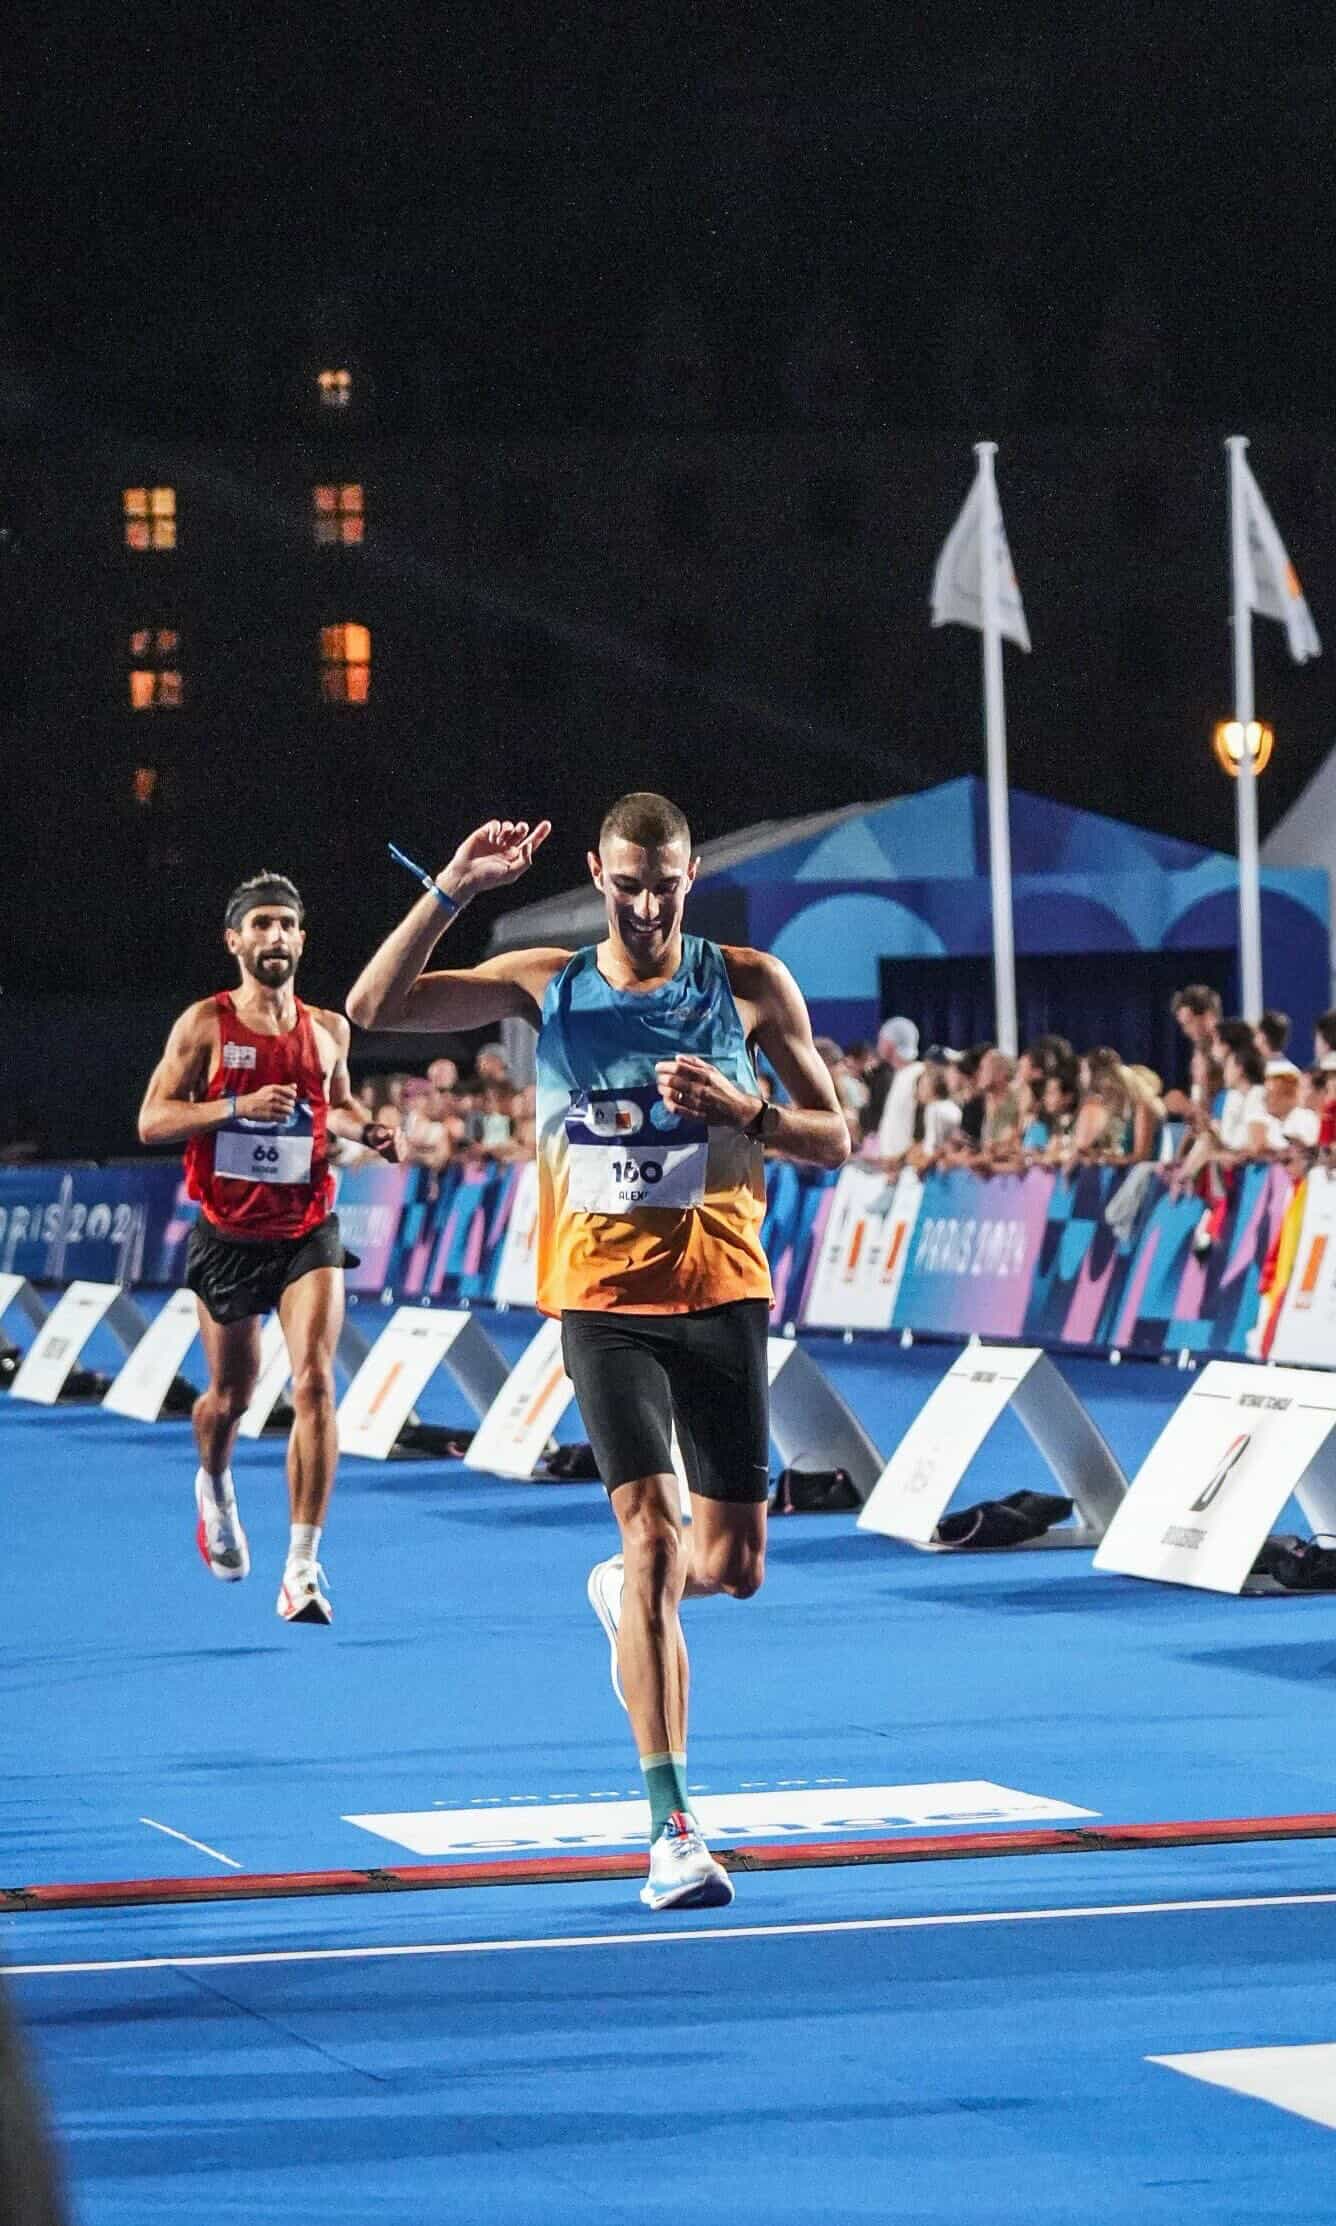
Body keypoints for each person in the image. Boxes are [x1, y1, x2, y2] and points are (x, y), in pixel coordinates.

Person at [347, 797, 849, 1911]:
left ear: (690, 873)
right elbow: (371, 1009)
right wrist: (454, 889)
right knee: (656, 1535)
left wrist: (744, 1107)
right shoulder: (546, 980)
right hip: (602, 1302)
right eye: (625, 883)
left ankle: (625, 1594)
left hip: (722, 1291)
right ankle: (672, 1828)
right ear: (597, 873)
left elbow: (837, 1137)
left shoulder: (752, 984)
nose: (645, 902)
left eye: (664, 882)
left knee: (733, 1569)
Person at [138, 872, 400, 1626]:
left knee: (315, 1382)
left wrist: (367, 1129)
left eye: (286, 925)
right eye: (260, 925)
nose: (274, 937)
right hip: (228, 1233)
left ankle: (302, 1567)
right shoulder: (205, 1025)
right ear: (235, 941)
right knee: (230, 1399)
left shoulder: (327, 1030)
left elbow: (338, 1104)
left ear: (301, 939)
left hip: (306, 1229)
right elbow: (153, 1120)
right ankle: (214, 1485)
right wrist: (235, 1106)